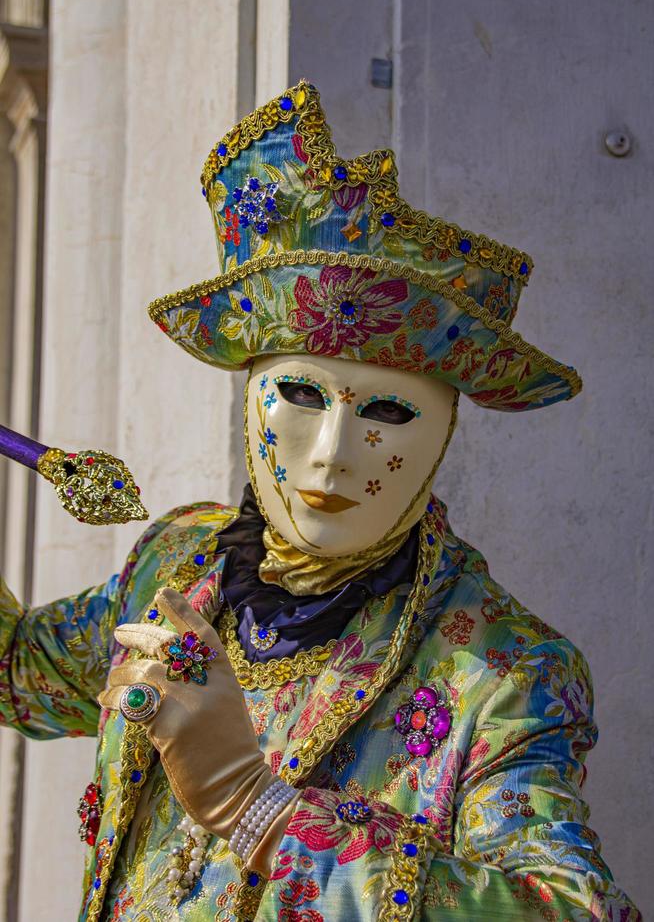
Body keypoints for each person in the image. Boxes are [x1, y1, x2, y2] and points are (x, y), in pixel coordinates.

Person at [0, 80, 640, 921]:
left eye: (385, 412)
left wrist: (258, 810)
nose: (332, 455)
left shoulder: (502, 677)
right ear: (250, 393)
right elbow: (17, 673)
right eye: (300, 396)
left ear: (444, 430)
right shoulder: (177, 563)